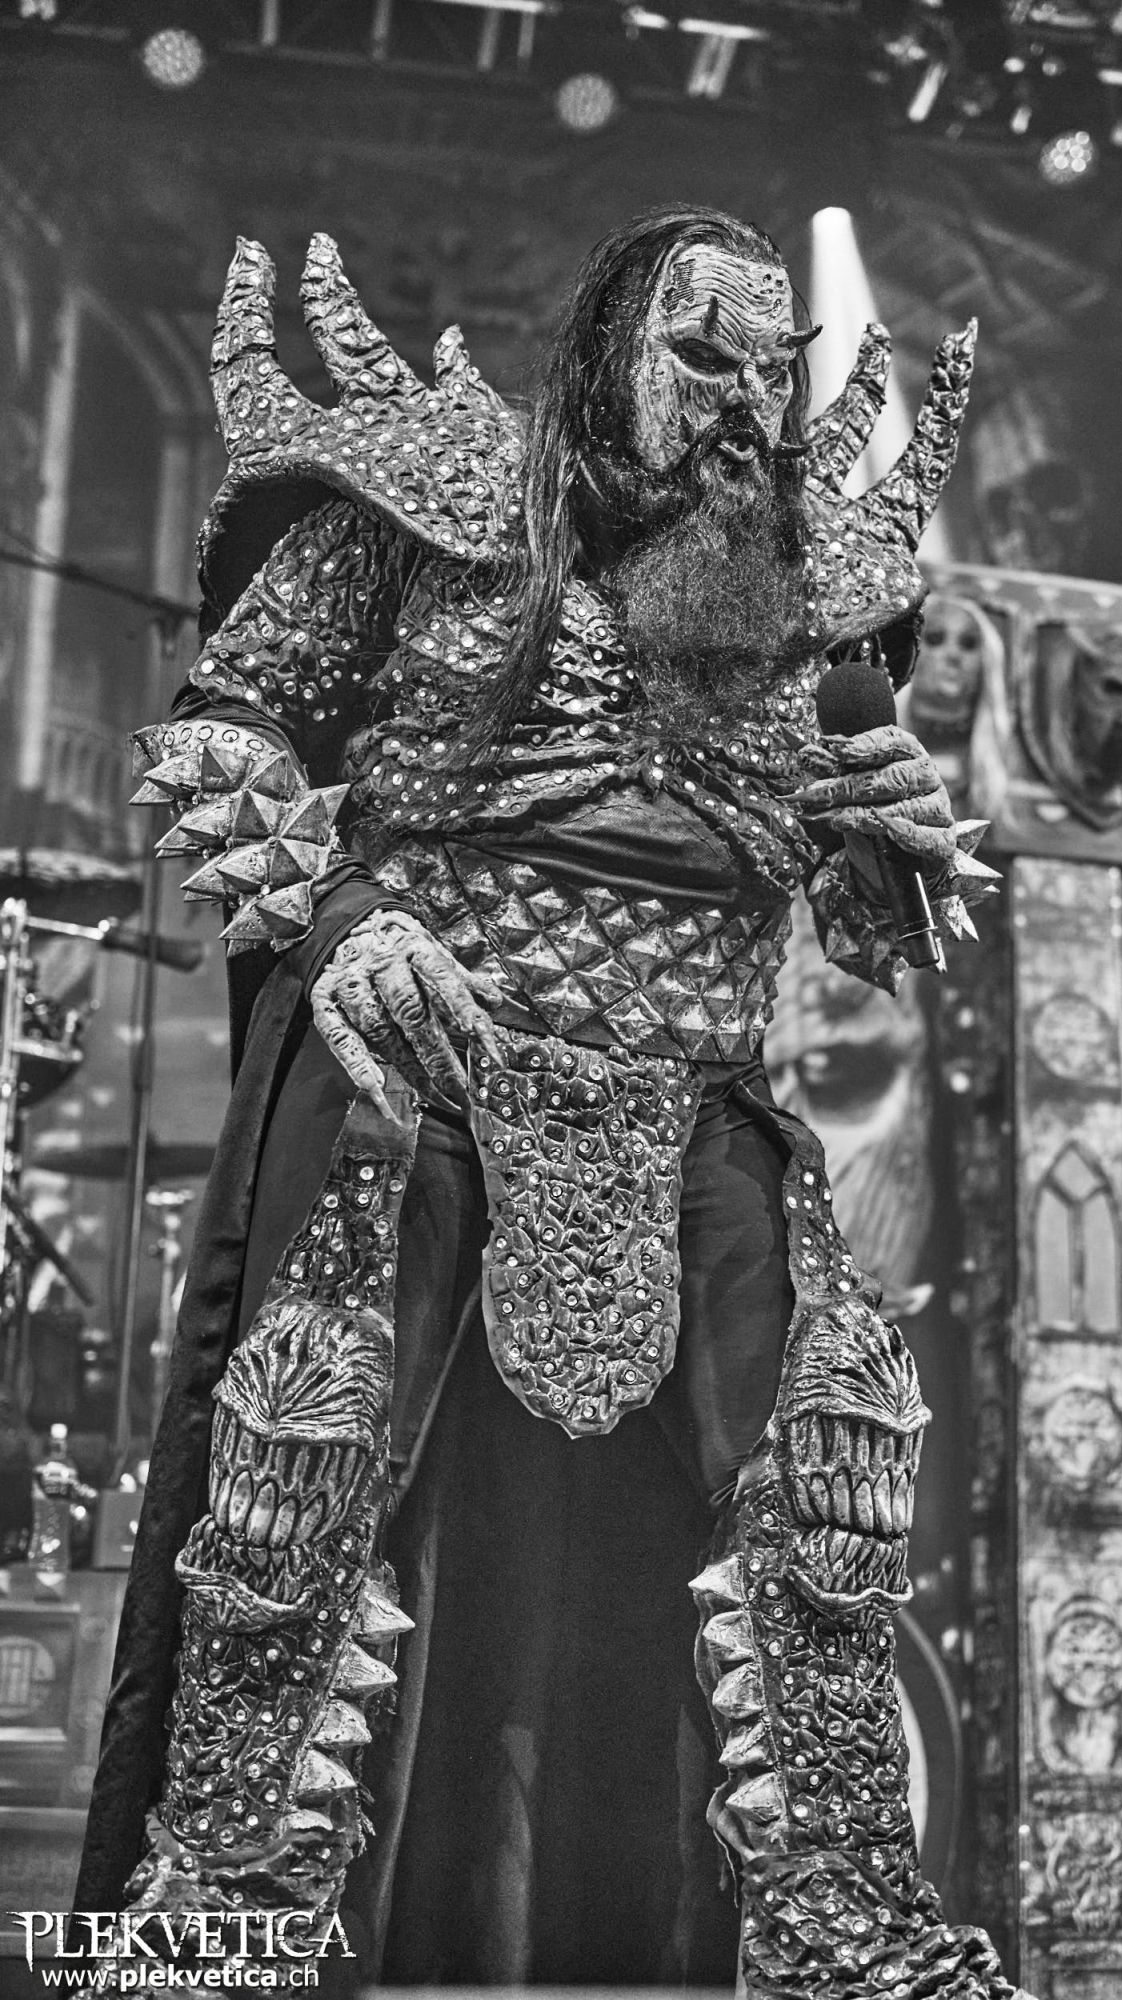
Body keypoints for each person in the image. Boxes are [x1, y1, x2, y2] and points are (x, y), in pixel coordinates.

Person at [75, 206, 1017, 1995]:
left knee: (827, 1480)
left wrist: (892, 843)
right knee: (305, 1476)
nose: (739, 404)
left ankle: (840, 1919)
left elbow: (860, 904)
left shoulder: (805, 578)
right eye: (700, 357)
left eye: (769, 373)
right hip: (429, 1080)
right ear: (603, 354)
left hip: (701, 1104)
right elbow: (228, 728)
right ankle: (219, 1909)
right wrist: (343, 922)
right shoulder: (427, 509)